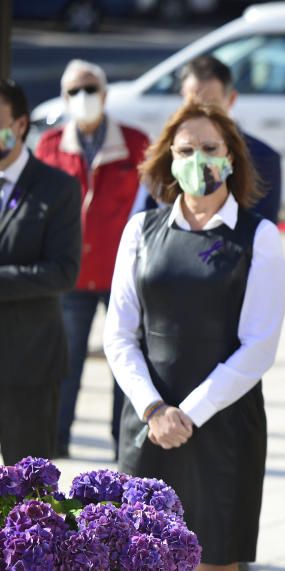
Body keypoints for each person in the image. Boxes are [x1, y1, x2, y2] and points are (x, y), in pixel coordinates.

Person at [104, 102, 285, 571]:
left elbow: (258, 347)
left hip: (223, 426)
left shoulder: (260, 237)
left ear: (231, 157)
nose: (197, 160)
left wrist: (190, 413)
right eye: (185, 150)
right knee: (156, 568)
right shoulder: (142, 228)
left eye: (209, 148)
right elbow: (118, 334)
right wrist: (156, 408)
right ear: (167, 158)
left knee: (213, 568)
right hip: (149, 423)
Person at [35, 59, 149, 459]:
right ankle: (58, 439)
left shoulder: (136, 143)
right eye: (73, 91)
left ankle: (124, 444)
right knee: (65, 364)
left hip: (123, 273)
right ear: (64, 98)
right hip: (71, 274)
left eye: (90, 89)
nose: (82, 98)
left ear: (104, 94)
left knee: (126, 362)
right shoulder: (49, 146)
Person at [0, 79, 81, 463]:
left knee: (26, 493)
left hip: (28, 363)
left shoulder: (57, 188)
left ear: (20, 124)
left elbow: (63, 272)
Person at [179, 55, 283, 224]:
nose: (200, 112)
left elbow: (262, 228)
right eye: (192, 102)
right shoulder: (167, 151)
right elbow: (151, 220)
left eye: (210, 104)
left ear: (231, 99)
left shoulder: (262, 157)